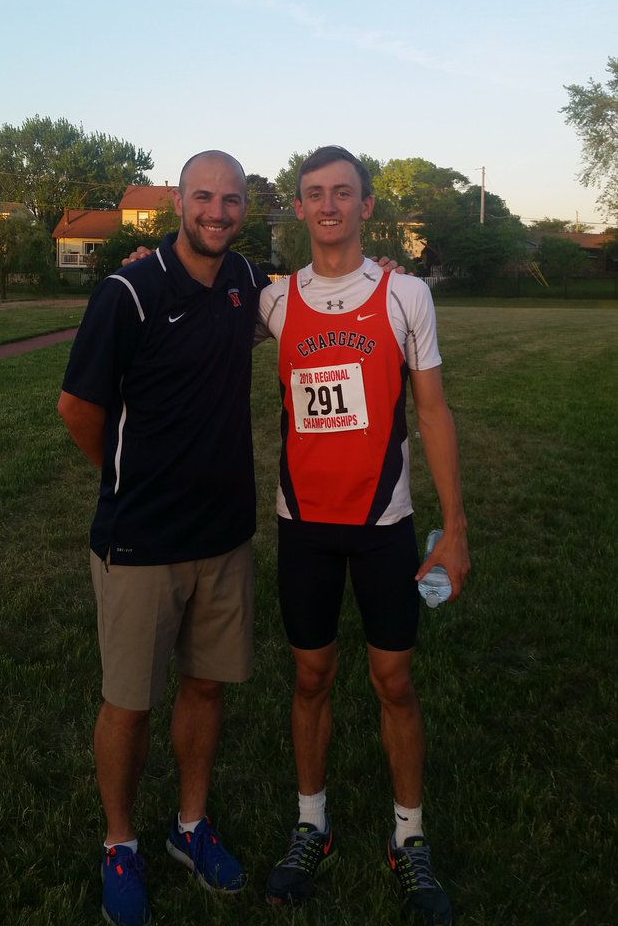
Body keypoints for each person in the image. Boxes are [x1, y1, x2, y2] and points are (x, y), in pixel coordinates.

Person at [255, 146, 470, 926]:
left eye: (341, 193)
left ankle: (408, 837)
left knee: (393, 683)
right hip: (303, 527)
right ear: (299, 207)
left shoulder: (404, 294)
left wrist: (455, 528)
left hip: (385, 526)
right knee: (309, 677)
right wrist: (150, 262)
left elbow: (434, 411)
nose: (327, 207)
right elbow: (199, 294)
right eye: (313, 194)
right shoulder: (273, 302)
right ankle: (311, 823)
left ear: (365, 205)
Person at [58, 151, 270, 926]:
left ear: (245, 207)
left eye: (232, 199)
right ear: (179, 202)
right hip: (141, 541)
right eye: (204, 197)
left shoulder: (246, 281)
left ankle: (189, 825)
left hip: (223, 537)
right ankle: (121, 843)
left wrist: (376, 268)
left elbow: (311, 300)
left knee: (206, 686)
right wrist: (128, 480)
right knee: (129, 703)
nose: (217, 211)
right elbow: (78, 408)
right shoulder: (129, 291)